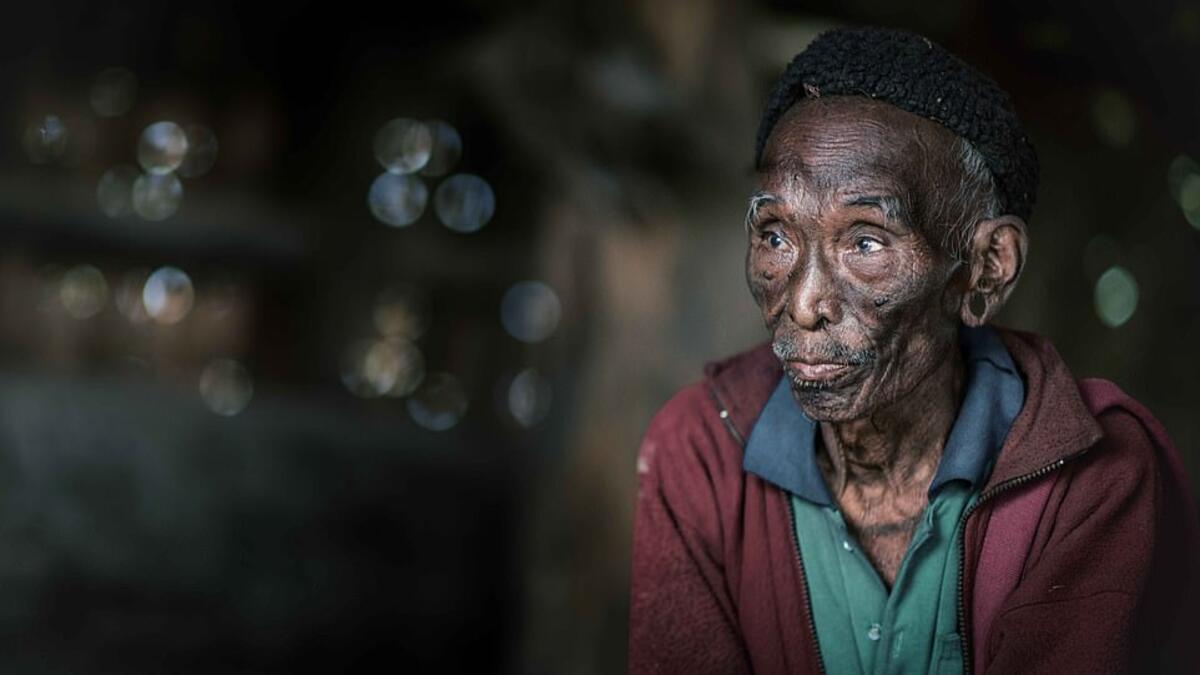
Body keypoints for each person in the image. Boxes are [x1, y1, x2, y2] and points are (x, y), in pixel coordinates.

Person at [628, 26, 1200, 675]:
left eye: (866, 243)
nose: (803, 301)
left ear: (985, 270)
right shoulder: (700, 448)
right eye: (776, 237)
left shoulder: (1092, 470)